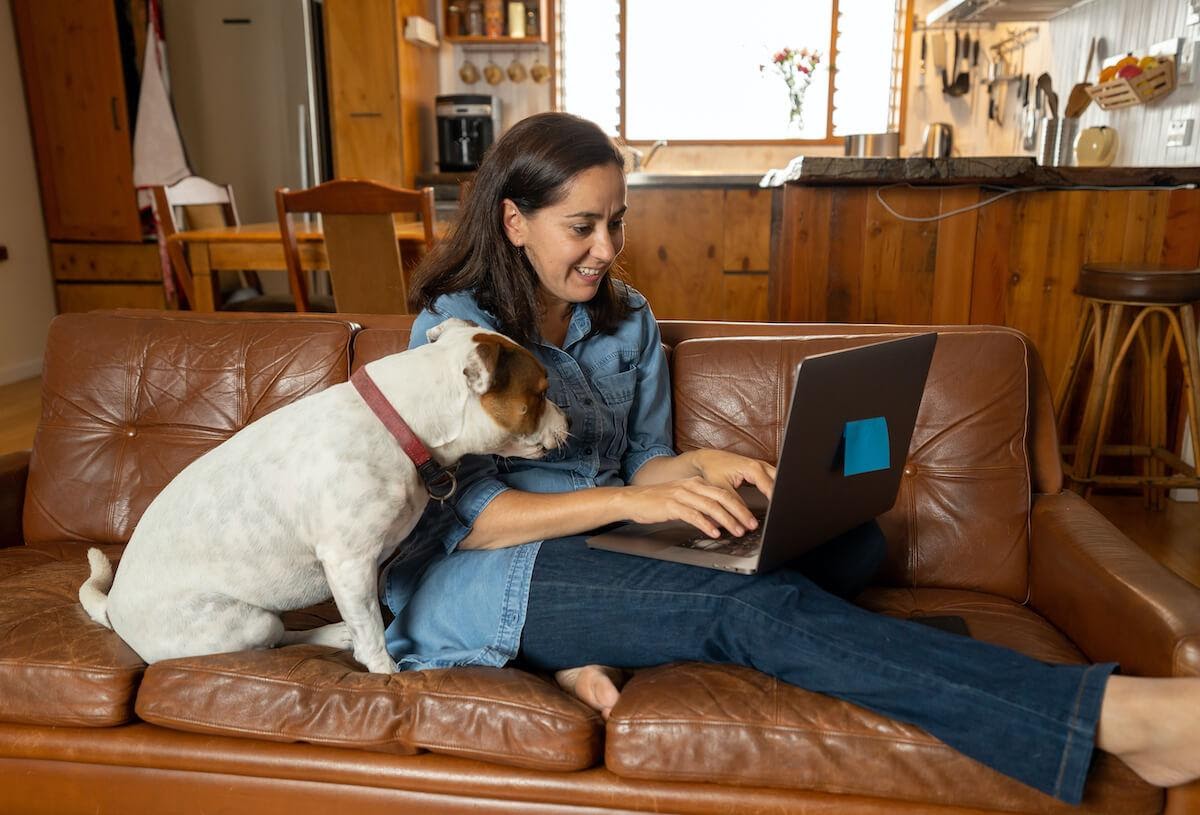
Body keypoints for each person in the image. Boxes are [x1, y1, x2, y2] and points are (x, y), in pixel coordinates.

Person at [381, 111, 1200, 805]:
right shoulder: (456, 336)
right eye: (582, 226)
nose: (605, 248)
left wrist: (711, 467)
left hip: (594, 553)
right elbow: (477, 522)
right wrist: (639, 506)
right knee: (746, 607)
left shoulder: (627, 323)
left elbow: (642, 462)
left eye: (617, 221)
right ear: (515, 222)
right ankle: (1105, 714)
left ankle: (584, 648)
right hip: (491, 576)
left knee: (854, 542)